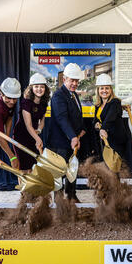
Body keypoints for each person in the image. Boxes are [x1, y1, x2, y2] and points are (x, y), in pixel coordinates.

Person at [47, 63, 85, 202]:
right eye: (72, 80)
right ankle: (59, 200)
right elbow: (61, 118)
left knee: (72, 170)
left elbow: (75, 115)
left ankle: (71, 195)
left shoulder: (73, 94)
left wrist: (81, 129)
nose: (74, 83)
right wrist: (73, 136)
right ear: (64, 79)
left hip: (72, 141)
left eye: (76, 81)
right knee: (58, 173)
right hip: (60, 142)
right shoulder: (58, 95)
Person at [12, 73, 50, 173]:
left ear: (45, 88)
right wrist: (37, 138)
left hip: (33, 135)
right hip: (22, 135)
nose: (39, 89)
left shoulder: (44, 103)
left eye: (42, 87)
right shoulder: (26, 102)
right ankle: (24, 188)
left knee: (32, 165)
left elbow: (42, 121)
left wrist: (39, 131)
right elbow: (28, 125)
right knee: (24, 166)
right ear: (31, 88)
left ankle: (31, 188)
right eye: (36, 86)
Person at [93, 73, 129, 163]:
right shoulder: (98, 105)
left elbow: (110, 117)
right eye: (102, 88)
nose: (104, 91)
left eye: (107, 88)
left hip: (116, 141)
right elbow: (96, 120)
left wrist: (103, 128)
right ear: (98, 90)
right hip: (104, 141)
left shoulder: (115, 102)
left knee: (115, 168)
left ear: (111, 90)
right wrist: (96, 124)